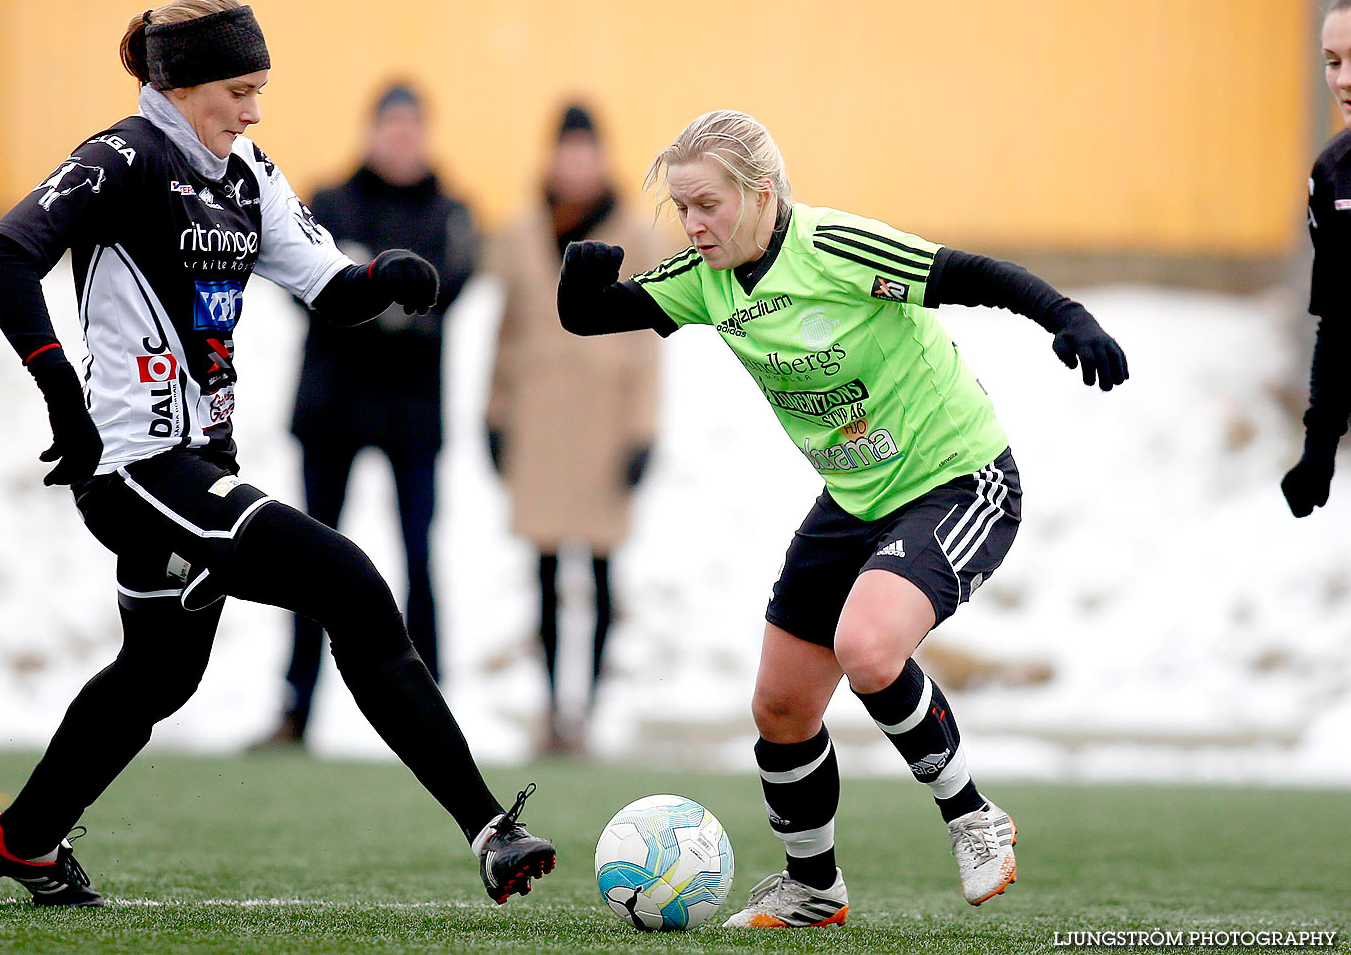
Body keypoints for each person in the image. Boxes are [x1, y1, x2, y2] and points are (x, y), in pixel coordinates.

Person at [0, 0, 553, 908]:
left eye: (260, 89)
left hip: (197, 465)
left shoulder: (245, 175)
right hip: (136, 468)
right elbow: (5, 254)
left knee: (159, 671)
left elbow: (325, 283)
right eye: (239, 89)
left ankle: (25, 839)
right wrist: (66, 404)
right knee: (349, 582)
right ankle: (489, 828)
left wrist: (381, 278)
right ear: (184, 83)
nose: (253, 109)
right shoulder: (123, 157)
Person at [558, 109, 1128, 926]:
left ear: (760, 194)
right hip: (854, 498)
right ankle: (814, 887)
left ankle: (974, 816)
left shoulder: (836, 248)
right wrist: (578, 281)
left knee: (867, 646)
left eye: (708, 204)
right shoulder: (706, 278)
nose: (692, 223)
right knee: (782, 706)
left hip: (957, 478)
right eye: (681, 207)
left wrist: (1067, 317)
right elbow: (593, 315)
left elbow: (973, 274)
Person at [257, 84, 477, 748]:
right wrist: (388, 304)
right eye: (391, 126)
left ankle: (431, 709)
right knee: (310, 563)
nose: (401, 139)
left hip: (413, 416)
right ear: (371, 130)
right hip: (331, 408)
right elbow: (306, 288)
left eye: (413, 126)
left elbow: (449, 295)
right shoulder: (327, 202)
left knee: (418, 558)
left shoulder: (451, 212)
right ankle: (296, 708)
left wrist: (360, 293)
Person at [486, 105, 663, 752]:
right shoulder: (521, 231)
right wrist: (493, 416)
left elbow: (649, 338)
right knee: (543, 567)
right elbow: (504, 334)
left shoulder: (631, 234)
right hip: (539, 418)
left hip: (604, 421)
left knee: (601, 570)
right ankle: (552, 709)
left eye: (587, 152)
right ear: (552, 158)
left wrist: (644, 431)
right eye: (567, 151)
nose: (576, 165)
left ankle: (587, 709)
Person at [1283, 0, 1351, 519]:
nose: (1343, 80)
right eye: (1332, 62)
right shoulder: (1331, 174)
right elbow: (1339, 322)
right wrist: (1319, 448)